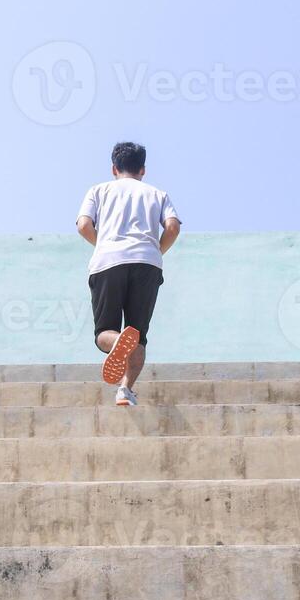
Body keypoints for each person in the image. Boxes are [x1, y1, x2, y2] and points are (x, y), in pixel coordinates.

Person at [76, 141, 182, 406]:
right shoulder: (157, 194)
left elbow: (84, 225)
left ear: (114, 168)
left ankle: (117, 340)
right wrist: (156, 251)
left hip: (107, 261)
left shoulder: (98, 190)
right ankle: (125, 390)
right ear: (143, 169)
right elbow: (172, 227)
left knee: (104, 333)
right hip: (147, 263)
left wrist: (103, 244)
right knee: (139, 336)